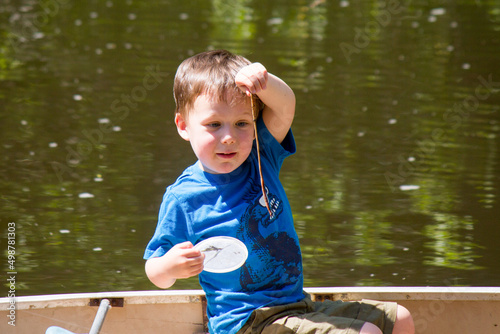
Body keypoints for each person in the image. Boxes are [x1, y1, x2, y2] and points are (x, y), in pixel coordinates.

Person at [143, 49, 414, 334]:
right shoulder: (183, 198)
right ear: (184, 126)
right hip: (247, 322)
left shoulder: (262, 157)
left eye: (242, 123)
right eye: (214, 124)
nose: (229, 136)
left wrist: (264, 82)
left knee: (401, 318)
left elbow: (285, 106)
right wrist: (171, 267)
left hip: (297, 305)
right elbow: (155, 271)